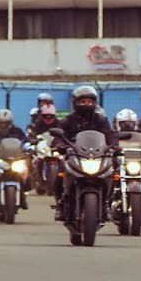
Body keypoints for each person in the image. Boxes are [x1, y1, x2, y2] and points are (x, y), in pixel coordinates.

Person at [55, 86, 118, 221]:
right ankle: (60, 203)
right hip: (75, 154)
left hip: (97, 154)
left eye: (89, 102)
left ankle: (107, 203)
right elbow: (59, 136)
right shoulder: (68, 120)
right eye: (83, 102)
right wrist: (60, 144)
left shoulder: (100, 119)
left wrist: (115, 145)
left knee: (113, 172)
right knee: (59, 173)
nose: (86, 105)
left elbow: (109, 134)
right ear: (75, 103)